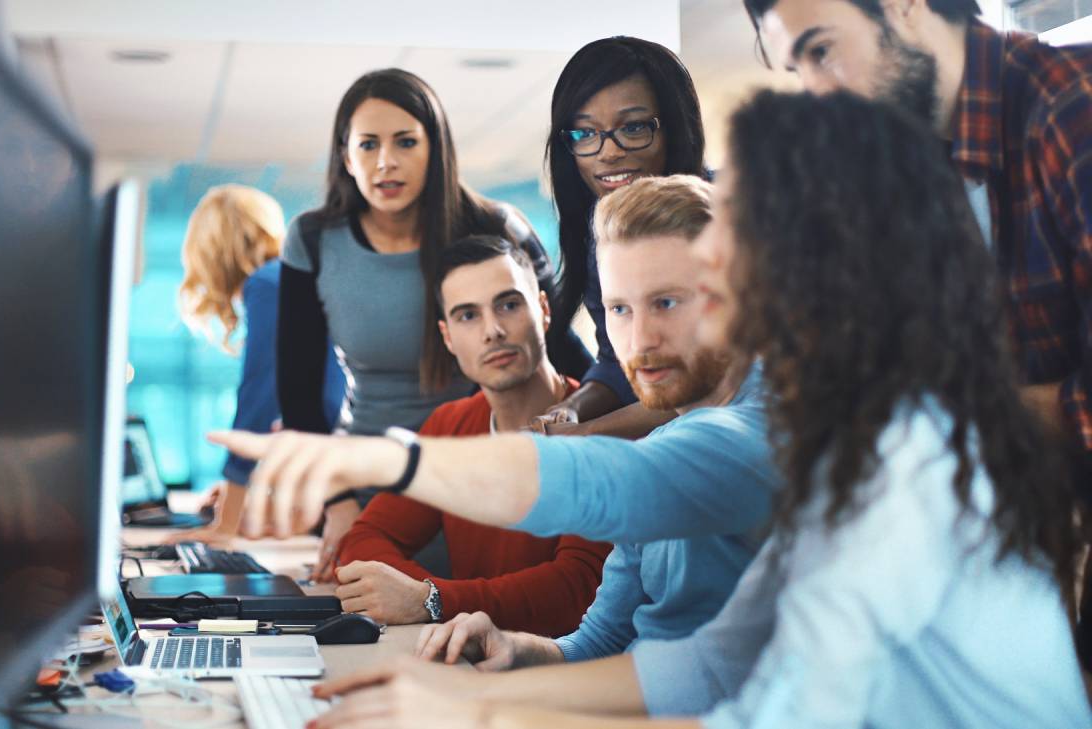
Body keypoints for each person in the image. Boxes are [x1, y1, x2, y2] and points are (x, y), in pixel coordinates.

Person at [217, 92, 1089, 729]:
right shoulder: (837, 443)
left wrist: (479, 705)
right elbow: (702, 657)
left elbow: (612, 488)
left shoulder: (810, 446)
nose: (641, 337)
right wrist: (510, 668)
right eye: (623, 310)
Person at [740, 0, 1092, 614]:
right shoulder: (919, 170)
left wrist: (964, 414)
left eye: (822, 51)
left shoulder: (1071, 108)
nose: (817, 95)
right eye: (798, 72)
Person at [412, 176, 771, 671]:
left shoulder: (768, 429)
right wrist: (514, 649)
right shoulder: (665, 437)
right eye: (620, 309)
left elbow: (592, 483)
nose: (640, 339)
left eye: (666, 302)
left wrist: (391, 462)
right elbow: (601, 640)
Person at [277, 69, 591, 581]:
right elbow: (297, 391)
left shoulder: (495, 226)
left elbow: (560, 349)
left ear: (435, 147)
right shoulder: (312, 239)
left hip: (476, 474)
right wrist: (337, 504)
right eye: (368, 144)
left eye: (406, 142)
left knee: (479, 619)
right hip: (364, 485)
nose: (386, 162)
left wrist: (607, 436)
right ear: (345, 155)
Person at [332, 235, 610, 633]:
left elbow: (580, 589)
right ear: (448, 338)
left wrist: (433, 600)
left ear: (544, 311)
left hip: (570, 675)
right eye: (468, 316)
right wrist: (423, 596)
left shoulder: (601, 427)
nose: (493, 330)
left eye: (509, 305)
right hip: (471, 662)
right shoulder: (450, 426)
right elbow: (364, 538)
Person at [531, 36, 711, 438]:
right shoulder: (599, 235)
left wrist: (583, 436)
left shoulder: (726, 221)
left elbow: (707, 383)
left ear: (675, 128)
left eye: (632, 128)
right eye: (584, 134)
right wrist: (571, 411)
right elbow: (617, 362)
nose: (607, 153)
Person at [173, 185, 344, 544]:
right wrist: (241, 494)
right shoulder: (287, 277)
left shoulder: (268, 284)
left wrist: (226, 524)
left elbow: (260, 397)